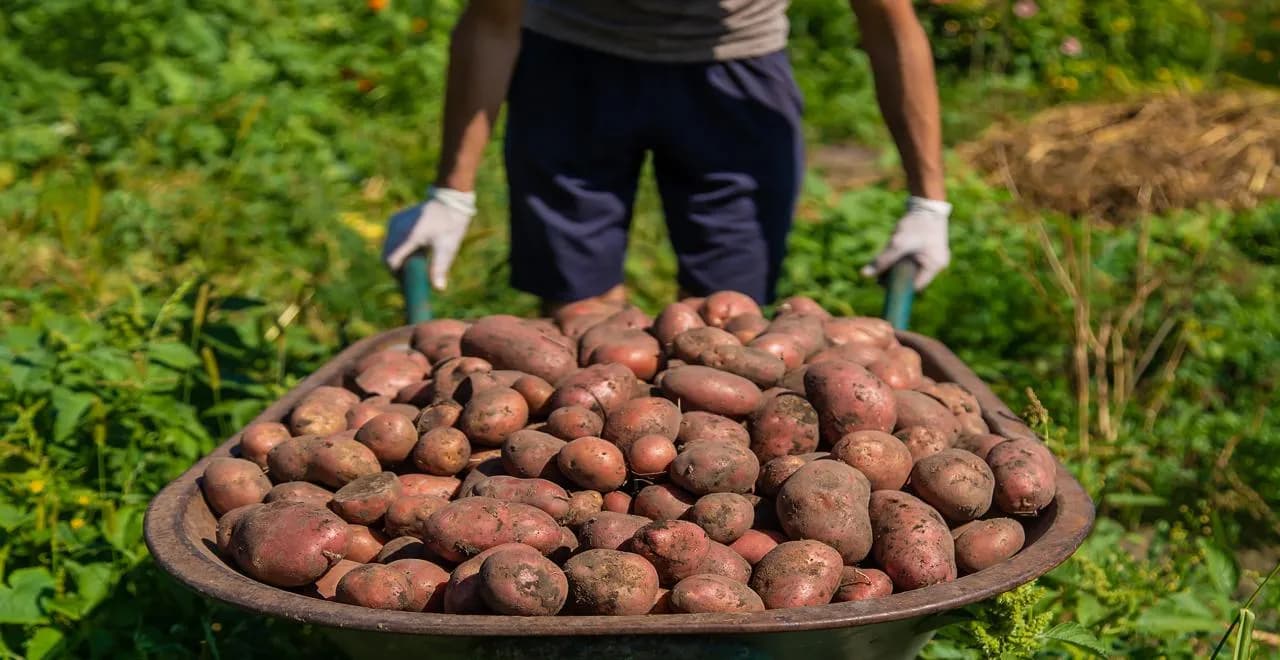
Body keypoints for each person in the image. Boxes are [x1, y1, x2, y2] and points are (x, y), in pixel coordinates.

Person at [383, 0, 951, 314]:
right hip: (574, 63)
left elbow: (890, 31)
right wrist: (451, 194)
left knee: (726, 319)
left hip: (737, 73)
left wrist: (929, 202)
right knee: (581, 317)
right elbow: (490, 22)